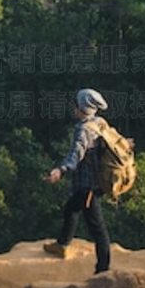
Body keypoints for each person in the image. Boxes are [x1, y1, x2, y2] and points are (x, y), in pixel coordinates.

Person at [42, 88, 112, 274]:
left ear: (83, 108)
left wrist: (60, 170)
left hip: (87, 186)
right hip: (94, 184)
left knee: (97, 228)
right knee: (70, 209)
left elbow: (76, 154)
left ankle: (103, 269)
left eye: (76, 104)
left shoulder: (83, 130)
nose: (74, 107)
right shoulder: (99, 122)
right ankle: (62, 244)